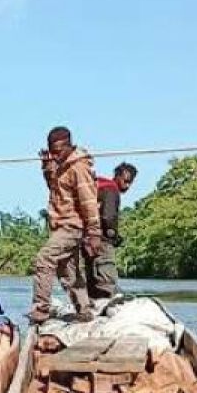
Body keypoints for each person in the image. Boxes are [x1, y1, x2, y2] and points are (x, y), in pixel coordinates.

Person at [28, 126, 102, 324]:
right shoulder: (61, 165)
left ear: (69, 146)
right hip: (60, 225)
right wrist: (48, 168)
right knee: (68, 272)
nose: (55, 154)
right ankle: (84, 309)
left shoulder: (78, 167)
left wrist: (94, 232)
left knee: (44, 259)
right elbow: (56, 189)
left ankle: (40, 309)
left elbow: (88, 201)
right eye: (52, 151)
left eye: (58, 151)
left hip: (72, 226)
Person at [81, 162, 136, 299]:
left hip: (86, 239)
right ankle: (108, 302)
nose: (127, 186)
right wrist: (114, 235)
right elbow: (108, 216)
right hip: (102, 240)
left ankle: (91, 303)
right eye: (125, 181)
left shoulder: (99, 188)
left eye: (130, 183)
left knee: (92, 276)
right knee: (107, 275)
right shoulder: (111, 190)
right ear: (117, 176)